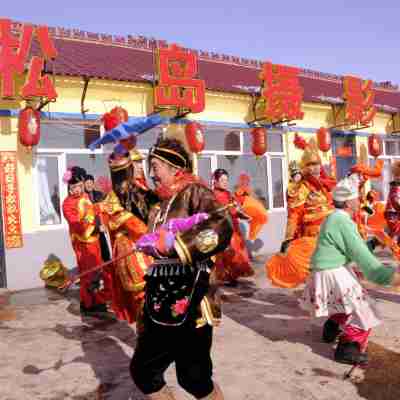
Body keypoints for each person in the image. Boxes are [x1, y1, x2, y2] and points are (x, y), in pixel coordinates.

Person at [130, 138, 233, 400]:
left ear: (175, 168)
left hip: (192, 297)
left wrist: (177, 246)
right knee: (144, 371)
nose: (152, 173)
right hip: (160, 297)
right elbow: (127, 196)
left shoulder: (196, 192)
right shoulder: (158, 203)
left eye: (155, 166)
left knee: (193, 378)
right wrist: (120, 159)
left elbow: (221, 225)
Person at [300, 177, 400, 365]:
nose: (359, 201)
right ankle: (347, 348)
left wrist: (372, 243)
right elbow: (362, 258)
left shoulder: (334, 217)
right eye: (356, 198)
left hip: (327, 269)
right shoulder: (343, 221)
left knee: (347, 302)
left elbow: (349, 247)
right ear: (347, 202)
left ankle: (332, 328)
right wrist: (388, 276)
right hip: (332, 271)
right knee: (366, 310)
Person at [266, 144, 336, 288]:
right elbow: (294, 215)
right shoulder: (302, 188)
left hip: (331, 232)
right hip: (313, 233)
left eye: (317, 164)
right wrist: (288, 237)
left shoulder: (324, 185)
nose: (315, 168)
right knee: (319, 270)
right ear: (305, 167)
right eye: (310, 164)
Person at [100, 150, 151, 323]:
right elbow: (134, 226)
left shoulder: (141, 190)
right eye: (134, 165)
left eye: (139, 164)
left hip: (149, 247)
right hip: (131, 248)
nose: (139, 168)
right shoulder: (113, 199)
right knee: (143, 295)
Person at [62, 166, 111, 316]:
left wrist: (100, 214)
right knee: (89, 273)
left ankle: (94, 301)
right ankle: (90, 303)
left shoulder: (85, 197)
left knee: (97, 271)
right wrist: (92, 215)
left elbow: (94, 212)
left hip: (94, 240)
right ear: (69, 188)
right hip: (83, 243)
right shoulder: (67, 204)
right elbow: (76, 224)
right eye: (73, 187)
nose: (77, 189)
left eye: (78, 186)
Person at [212, 169, 254, 286]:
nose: (225, 182)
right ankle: (228, 277)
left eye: (226, 180)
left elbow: (235, 209)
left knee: (237, 252)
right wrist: (235, 211)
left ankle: (232, 277)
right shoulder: (213, 195)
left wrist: (243, 215)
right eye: (222, 180)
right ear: (215, 181)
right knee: (229, 253)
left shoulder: (228, 194)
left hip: (233, 227)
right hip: (223, 228)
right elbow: (221, 212)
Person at [385, 160, 400, 244]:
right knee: (395, 233)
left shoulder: (396, 187)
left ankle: (373, 243)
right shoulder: (396, 187)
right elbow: (396, 200)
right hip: (393, 213)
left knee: (390, 233)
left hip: (394, 213)